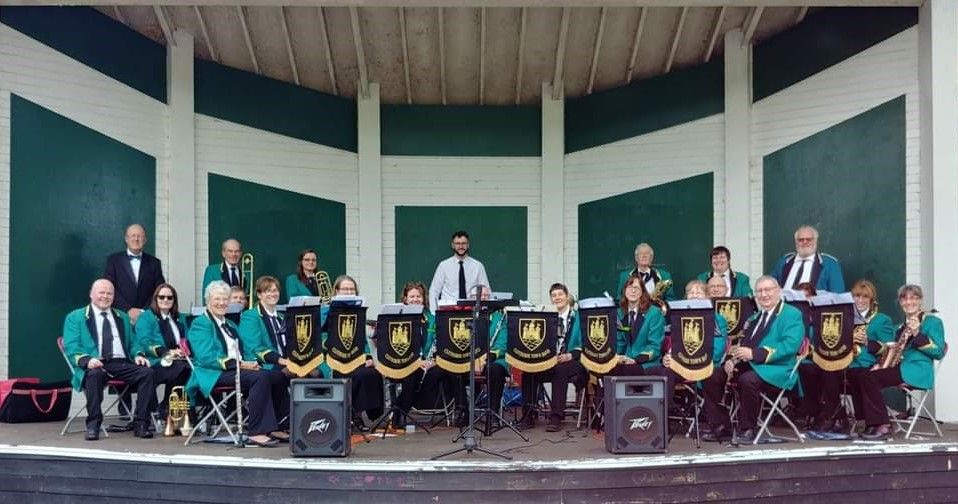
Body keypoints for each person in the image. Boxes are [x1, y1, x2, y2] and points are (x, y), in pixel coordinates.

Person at [701, 276, 804, 443]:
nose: (764, 295)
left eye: (768, 290)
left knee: (747, 380)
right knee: (711, 374)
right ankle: (721, 426)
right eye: (760, 291)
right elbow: (739, 344)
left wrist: (754, 354)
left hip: (777, 369)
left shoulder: (792, 314)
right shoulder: (754, 318)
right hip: (750, 365)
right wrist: (731, 359)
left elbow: (790, 345)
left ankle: (748, 428)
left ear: (778, 291)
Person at [185, 281, 285, 447]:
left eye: (225, 299)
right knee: (259, 378)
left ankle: (277, 425)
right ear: (207, 300)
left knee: (276, 374)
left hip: (237, 369)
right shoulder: (201, 323)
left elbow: (244, 350)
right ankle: (256, 431)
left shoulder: (230, 324)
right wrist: (241, 365)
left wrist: (251, 363)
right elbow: (206, 357)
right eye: (217, 299)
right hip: (213, 373)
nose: (222, 303)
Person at [62, 279, 156, 441]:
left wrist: (138, 355)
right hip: (95, 363)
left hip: (121, 363)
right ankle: (93, 425)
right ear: (91, 294)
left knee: (147, 373)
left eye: (109, 293)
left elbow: (133, 343)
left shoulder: (123, 317)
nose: (105, 296)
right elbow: (71, 346)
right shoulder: (75, 317)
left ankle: (141, 424)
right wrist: (87, 360)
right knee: (94, 375)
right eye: (101, 292)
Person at [849, 284, 946, 440]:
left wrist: (917, 333)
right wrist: (879, 365)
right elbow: (891, 351)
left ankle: (883, 426)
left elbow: (938, 352)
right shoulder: (899, 327)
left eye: (914, 298)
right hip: (900, 368)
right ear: (901, 303)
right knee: (863, 374)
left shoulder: (932, 322)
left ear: (920, 301)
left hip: (917, 370)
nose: (909, 302)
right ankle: (870, 422)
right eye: (905, 298)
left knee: (869, 378)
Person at [800, 280, 894, 432]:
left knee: (851, 374)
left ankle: (847, 418)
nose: (860, 300)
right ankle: (833, 414)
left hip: (864, 364)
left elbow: (888, 348)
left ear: (872, 300)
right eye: (857, 296)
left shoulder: (881, 320)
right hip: (841, 361)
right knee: (811, 369)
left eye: (865, 297)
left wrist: (867, 341)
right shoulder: (844, 316)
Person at [649, 280, 728, 425]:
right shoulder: (679, 319)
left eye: (699, 292)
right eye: (691, 292)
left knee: (714, 377)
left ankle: (715, 424)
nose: (695, 295)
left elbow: (716, 352)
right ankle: (659, 418)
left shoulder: (718, 319)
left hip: (706, 366)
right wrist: (668, 358)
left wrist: (689, 359)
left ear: (707, 297)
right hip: (682, 366)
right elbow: (676, 347)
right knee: (656, 371)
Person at [322, 275, 384, 427]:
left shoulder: (358, 313)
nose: (349, 292)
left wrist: (368, 357)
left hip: (355, 358)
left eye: (352, 289)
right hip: (330, 359)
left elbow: (362, 341)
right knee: (354, 374)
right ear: (336, 291)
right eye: (345, 289)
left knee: (371, 373)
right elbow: (320, 337)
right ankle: (350, 415)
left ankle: (358, 413)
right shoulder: (325, 311)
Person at [237, 276, 293, 438]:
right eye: (268, 291)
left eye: (275, 290)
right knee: (278, 375)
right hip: (263, 364)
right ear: (259, 294)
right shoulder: (250, 316)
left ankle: (300, 422)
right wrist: (281, 361)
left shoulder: (282, 317)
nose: (272, 294)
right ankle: (275, 426)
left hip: (283, 362)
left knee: (315, 373)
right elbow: (254, 348)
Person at [531, 283, 587, 433]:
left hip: (575, 361)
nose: (557, 298)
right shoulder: (547, 318)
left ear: (567, 296)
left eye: (560, 294)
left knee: (560, 369)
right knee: (529, 369)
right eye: (554, 296)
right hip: (551, 361)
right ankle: (528, 414)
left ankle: (556, 417)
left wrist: (570, 355)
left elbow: (586, 344)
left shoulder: (579, 317)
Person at [133, 283, 191, 420]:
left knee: (189, 369)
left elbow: (187, 340)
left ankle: (174, 412)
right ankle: (169, 409)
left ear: (174, 300)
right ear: (156, 298)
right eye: (162, 297)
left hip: (179, 360)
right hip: (154, 361)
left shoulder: (180, 318)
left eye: (169, 297)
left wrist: (184, 351)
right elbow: (144, 342)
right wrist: (168, 352)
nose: (165, 300)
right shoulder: (147, 317)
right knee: (181, 368)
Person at [103, 224, 165, 325]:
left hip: (146, 317)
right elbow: (109, 287)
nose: (136, 239)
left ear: (145, 240)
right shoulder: (113, 260)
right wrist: (127, 309)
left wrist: (143, 311)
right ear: (126, 239)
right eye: (133, 236)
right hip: (120, 316)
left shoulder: (155, 263)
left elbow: (160, 290)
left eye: (140, 236)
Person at [428, 231, 490, 312]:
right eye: (457, 243)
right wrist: (434, 314)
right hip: (448, 311)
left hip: (472, 311)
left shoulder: (478, 266)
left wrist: (484, 311)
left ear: (468, 245)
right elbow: (434, 291)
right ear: (453, 245)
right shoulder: (443, 266)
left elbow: (486, 291)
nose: (461, 246)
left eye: (464, 243)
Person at [771, 225, 844, 293]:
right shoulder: (783, 262)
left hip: (814, 306)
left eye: (809, 239)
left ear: (815, 241)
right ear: (796, 242)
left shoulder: (830, 264)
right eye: (800, 240)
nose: (804, 242)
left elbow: (838, 295)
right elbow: (769, 287)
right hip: (786, 305)